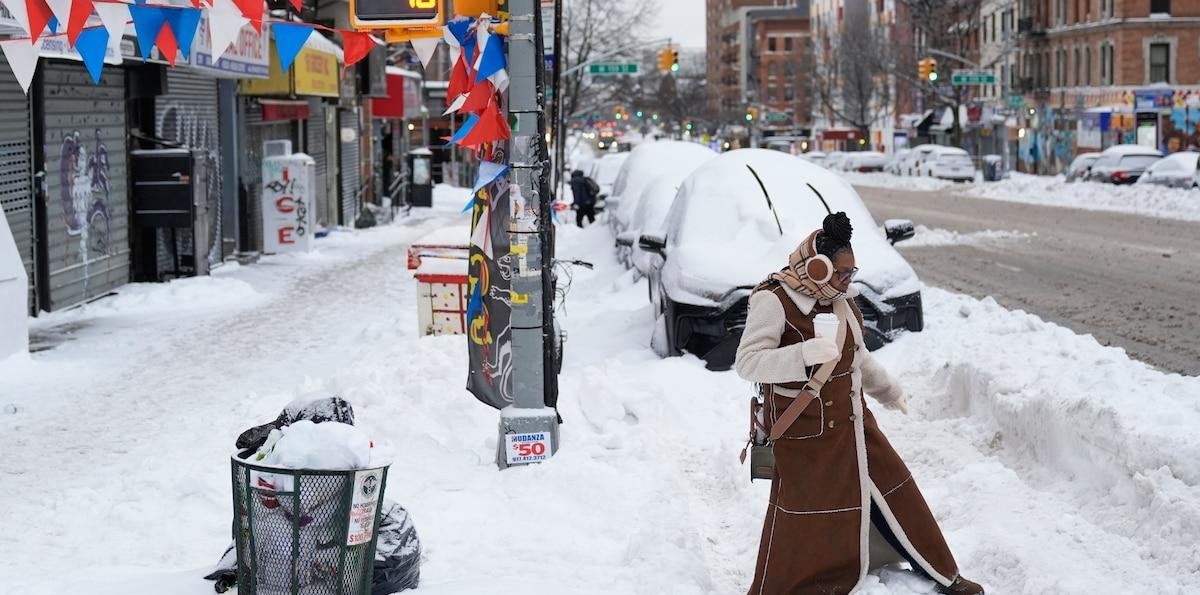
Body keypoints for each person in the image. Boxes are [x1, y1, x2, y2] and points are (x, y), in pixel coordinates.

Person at [735, 212, 984, 595]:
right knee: (806, 516)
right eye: (840, 273)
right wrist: (801, 355)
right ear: (815, 268)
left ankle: (941, 573)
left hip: (854, 421)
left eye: (852, 272)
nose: (848, 281)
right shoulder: (774, 300)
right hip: (804, 431)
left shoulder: (841, 302)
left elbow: (857, 357)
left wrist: (889, 390)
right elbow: (748, 362)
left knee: (896, 490)